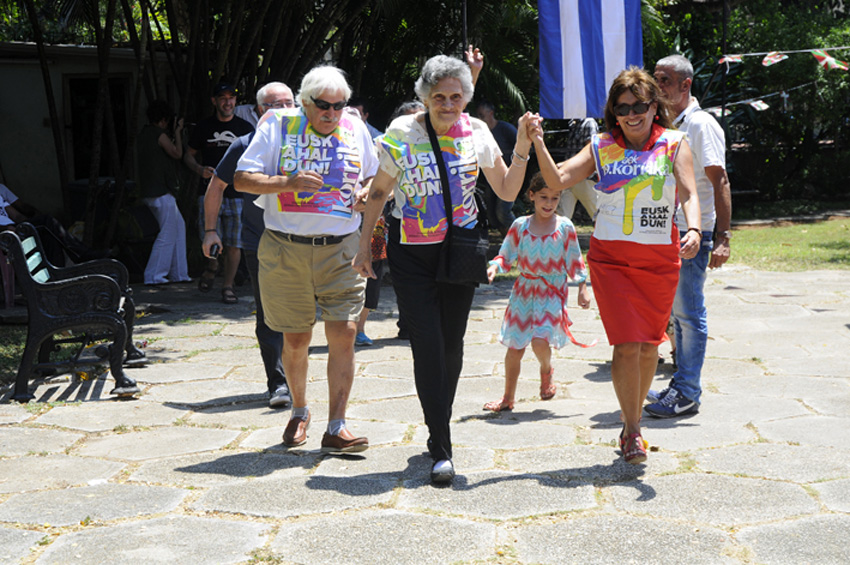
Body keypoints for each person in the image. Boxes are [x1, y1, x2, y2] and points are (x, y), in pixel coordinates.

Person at [352, 54, 531, 484]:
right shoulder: (402, 133)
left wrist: (523, 143)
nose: (447, 105)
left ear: (465, 97)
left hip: (462, 251)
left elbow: (506, 188)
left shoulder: (478, 133)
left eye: (455, 96)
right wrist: (363, 247)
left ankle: (439, 424)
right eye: (438, 97)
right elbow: (378, 193)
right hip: (411, 252)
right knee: (427, 345)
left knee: (452, 346)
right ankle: (441, 443)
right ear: (425, 97)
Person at [528, 66, 701, 465]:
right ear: (614, 111)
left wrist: (693, 227)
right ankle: (635, 431)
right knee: (626, 345)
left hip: (659, 260)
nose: (632, 113)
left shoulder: (675, 143)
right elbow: (556, 180)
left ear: (654, 106)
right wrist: (538, 141)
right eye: (623, 107)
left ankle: (629, 422)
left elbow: (689, 192)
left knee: (648, 349)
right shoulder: (601, 145)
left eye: (640, 104)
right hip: (612, 261)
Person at [234, 65, 377, 453]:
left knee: (345, 333)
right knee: (296, 339)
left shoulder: (354, 126)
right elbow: (241, 178)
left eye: (339, 105)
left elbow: (375, 179)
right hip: (285, 247)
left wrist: (366, 195)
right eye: (323, 106)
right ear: (305, 102)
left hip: (342, 247)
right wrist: (287, 183)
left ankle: (337, 426)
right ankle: (299, 411)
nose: (332, 113)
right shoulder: (278, 124)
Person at [645, 54, 733, 418]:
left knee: (688, 311)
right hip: (670, 231)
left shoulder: (700, 124)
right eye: (656, 79)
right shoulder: (670, 124)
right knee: (676, 314)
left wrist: (723, 236)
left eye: (664, 80)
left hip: (695, 232)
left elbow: (720, 180)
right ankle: (680, 382)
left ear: (686, 85)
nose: (657, 86)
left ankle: (688, 392)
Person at [203, 82, 294, 408]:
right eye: (274, 105)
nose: (283, 110)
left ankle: (298, 376)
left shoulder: (311, 142)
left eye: (288, 103)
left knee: (303, 314)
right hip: (262, 243)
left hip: (306, 242)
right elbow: (216, 187)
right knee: (269, 314)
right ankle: (278, 383)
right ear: (260, 111)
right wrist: (211, 231)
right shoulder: (245, 144)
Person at [483, 172, 592, 413]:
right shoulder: (520, 225)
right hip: (524, 293)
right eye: (544, 197)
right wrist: (494, 267)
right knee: (515, 348)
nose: (549, 203)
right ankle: (507, 398)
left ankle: (546, 369)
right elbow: (506, 255)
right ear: (531, 196)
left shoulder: (564, 227)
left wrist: (582, 288)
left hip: (552, 292)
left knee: (541, 341)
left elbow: (575, 260)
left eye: (555, 198)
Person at [185, 82, 254, 303]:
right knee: (209, 236)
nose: (227, 102)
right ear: (214, 101)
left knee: (235, 244)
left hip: (237, 194)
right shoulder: (203, 127)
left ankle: (228, 286)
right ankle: (213, 265)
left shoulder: (245, 128)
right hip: (209, 192)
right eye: (222, 98)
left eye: (231, 97)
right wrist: (199, 169)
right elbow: (188, 154)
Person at [136, 100, 190, 285]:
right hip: (160, 191)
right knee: (167, 232)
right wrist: (177, 132)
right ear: (164, 120)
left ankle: (180, 273)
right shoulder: (159, 134)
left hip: (150, 190)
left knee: (178, 226)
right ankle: (154, 275)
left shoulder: (143, 134)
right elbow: (177, 153)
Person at [0, 183, 104, 267]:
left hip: (15, 229)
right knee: (46, 221)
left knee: (48, 232)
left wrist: (30, 224)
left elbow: (17, 216)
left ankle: (57, 273)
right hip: (5, 234)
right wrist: (6, 228)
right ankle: (82, 254)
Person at [475, 100, 518, 235]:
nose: (479, 119)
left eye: (482, 115)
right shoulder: (480, 133)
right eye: (478, 116)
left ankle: (523, 237)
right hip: (490, 178)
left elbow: (524, 149)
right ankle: (509, 242)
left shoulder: (506, 129)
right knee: (492, 214)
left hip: (510, 177)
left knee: (503, 212)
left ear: (491, 113)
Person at [556, 118, 599, 222]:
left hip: (584, 179)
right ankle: (556, 238)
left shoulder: (589, 122)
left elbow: (591, 151)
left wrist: (564, 164)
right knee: (561, 218)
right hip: (568, 178)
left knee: (599, 216)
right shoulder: (572, 123)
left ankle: (609, 237)